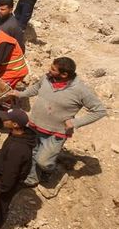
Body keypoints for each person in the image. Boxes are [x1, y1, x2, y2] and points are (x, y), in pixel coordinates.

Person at [8, 57, 106, 186]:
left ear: (64, 74)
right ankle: (32, 179)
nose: (49, 69)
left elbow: (99, 110)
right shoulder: (47, 78)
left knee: (43, 161)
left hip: (56, 133)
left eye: (53, 69)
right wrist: (20, 94)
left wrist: (75, 123)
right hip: (34, 126)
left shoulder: (80, 90)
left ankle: (49, 170)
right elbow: (36, 88)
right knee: (31, 153)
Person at [0, 108, 35, 229]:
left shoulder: (18, 148)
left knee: (1, 206)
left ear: (15, 124)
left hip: (5, 183)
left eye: (6, 119)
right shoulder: (16, 134)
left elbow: (10, 176)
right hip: (2, 170)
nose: (3, 120)